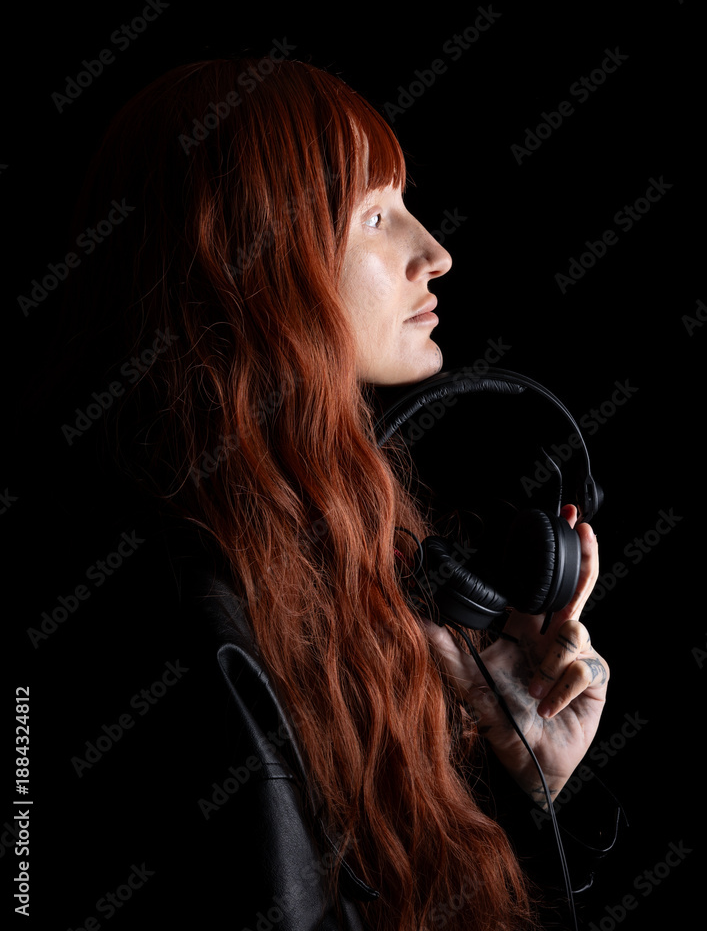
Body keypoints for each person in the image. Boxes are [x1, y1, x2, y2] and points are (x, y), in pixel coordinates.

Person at [51, 55, 620, 930]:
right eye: (375, 216)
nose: (434, 252)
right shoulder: (197, 629)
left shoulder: (312, 566)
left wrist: (528, 785)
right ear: (252, 264)